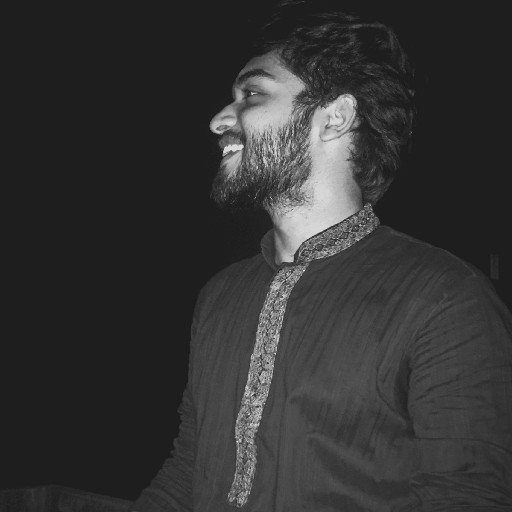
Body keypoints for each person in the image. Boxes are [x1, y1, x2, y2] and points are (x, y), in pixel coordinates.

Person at [133, 1, 512, 510]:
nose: (219, 119)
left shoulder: (446, 297)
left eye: (252, 94)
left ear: (335, 117)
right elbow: (187, 471)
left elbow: (466, 495)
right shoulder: (219, 296)